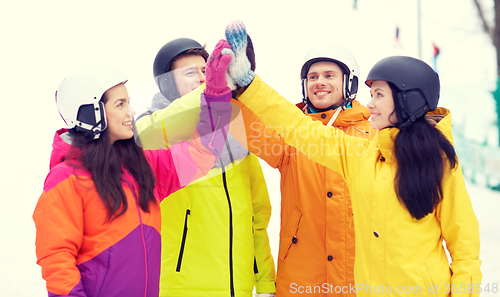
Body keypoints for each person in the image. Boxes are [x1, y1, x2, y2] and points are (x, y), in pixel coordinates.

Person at [224, 21, 482, 297]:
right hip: (311, 279)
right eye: (312, 77)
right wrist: (242, 89)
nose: (371, 104)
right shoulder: (358, 154)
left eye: (379, 95)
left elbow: (464, 247)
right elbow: (292, 126)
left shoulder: (432, 162)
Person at [33, 39, 234, 297]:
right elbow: (57, 261)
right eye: (120, 104)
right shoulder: (66, 179)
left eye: (128, 102)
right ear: (91, 113)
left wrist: (215, 93)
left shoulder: (142, 166)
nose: (131, 112)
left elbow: (204, 151)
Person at [135, 38, 276, 297]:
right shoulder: (150, 129)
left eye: (206, 70)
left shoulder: (236, 132)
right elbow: (160, 129)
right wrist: (217, 89)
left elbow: (256, 218)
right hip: (179, 288)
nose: (203, 78)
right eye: (190, 73)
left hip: (237, 289)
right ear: (167, 83)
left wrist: (265, 281)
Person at [233, 41, 371, 296]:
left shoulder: (370, 136)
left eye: (329, 75)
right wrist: (235, 91)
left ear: (349, 83)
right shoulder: (290, 136)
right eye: (312, 77)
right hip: (301, 277)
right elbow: (249, 127)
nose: (319, 82)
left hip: (358, 277)